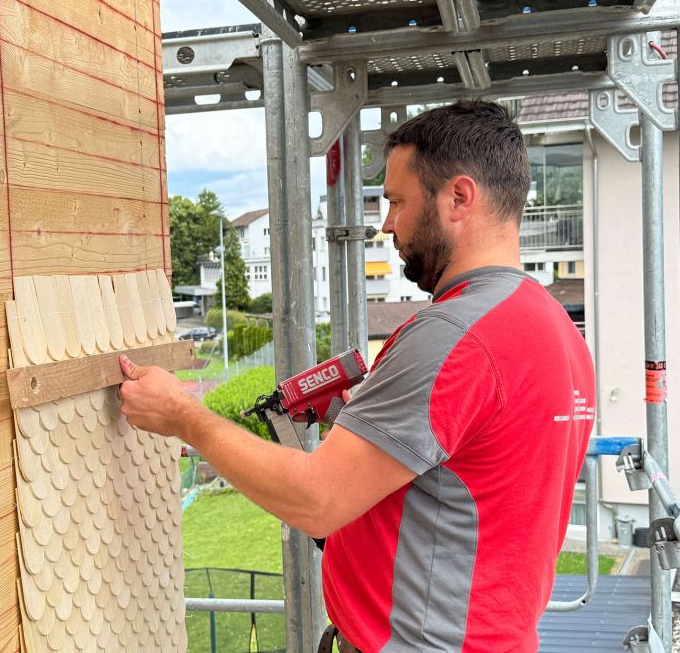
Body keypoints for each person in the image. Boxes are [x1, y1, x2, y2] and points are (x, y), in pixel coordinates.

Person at [118, 100, 595, 652]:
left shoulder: (454, 336)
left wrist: (185, 417)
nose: (387, 223)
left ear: (459, 197)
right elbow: (469, 481)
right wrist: (365, 426)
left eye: (396, 201)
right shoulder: (553, 326)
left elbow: (315, 500)